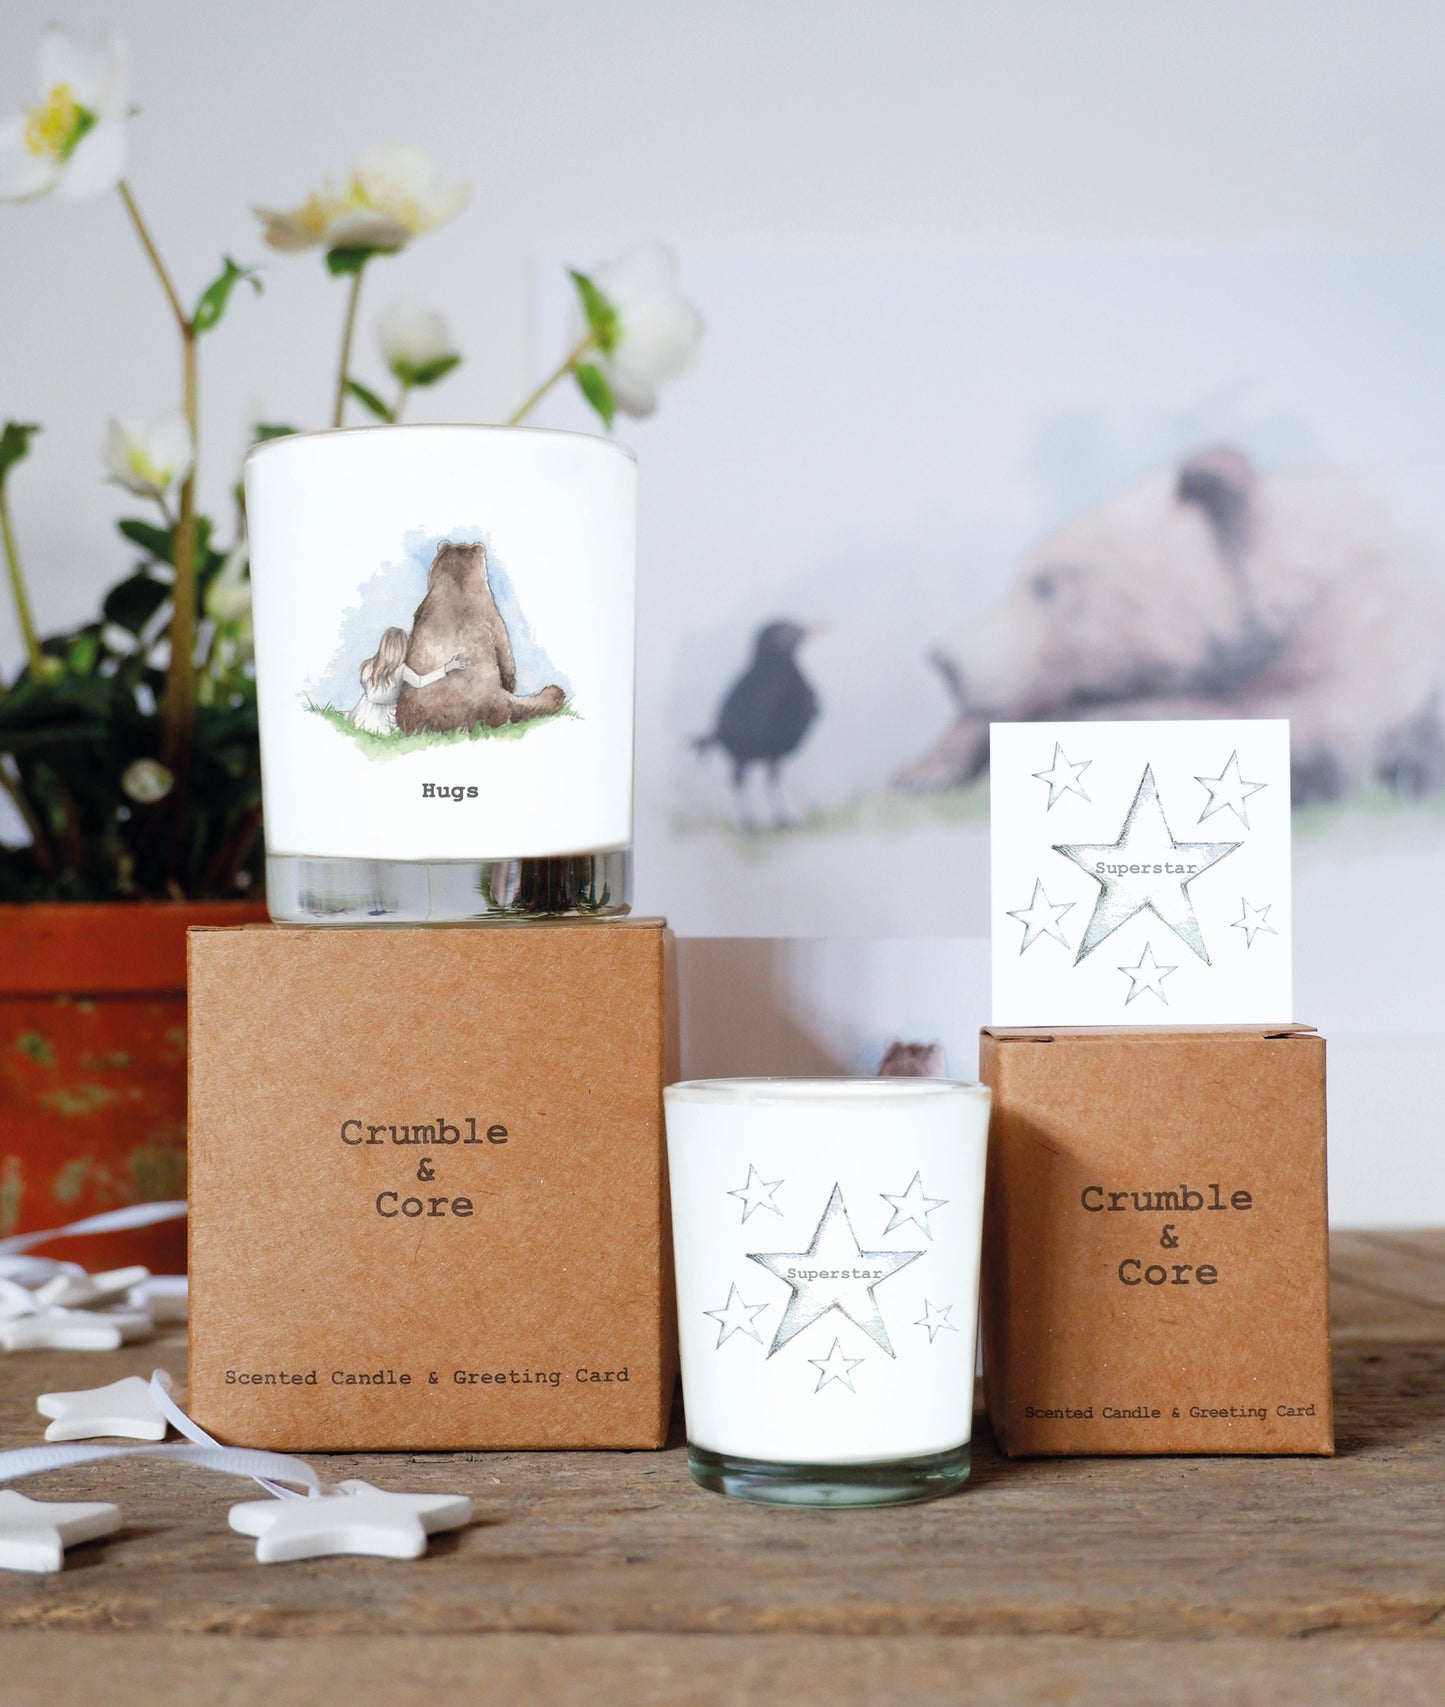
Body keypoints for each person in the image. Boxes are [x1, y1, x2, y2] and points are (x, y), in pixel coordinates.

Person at [348, 627, 466, 736]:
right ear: (402, 649)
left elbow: (364, 684)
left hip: (363, 711)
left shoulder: (368, 665)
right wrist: (447, 667)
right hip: (384, 717)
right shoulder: (401, 669)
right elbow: (420, 681)